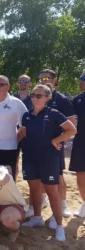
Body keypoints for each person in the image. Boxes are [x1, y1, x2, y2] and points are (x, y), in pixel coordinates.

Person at [20, 85, 76, 242]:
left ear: (47, 98)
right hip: (30, 156)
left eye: (39, 95)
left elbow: (72, 130)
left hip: (48, 157)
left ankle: (59, 226)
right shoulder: (26, 115)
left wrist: (56, 140)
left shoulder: (54, 114)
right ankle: (37, 217)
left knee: (52, 191)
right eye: (33, 95)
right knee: (34, 189)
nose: (35, 98)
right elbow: (22, 134)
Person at [37, 69, 76, 218]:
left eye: (46, 79)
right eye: (40, 79)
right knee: (40, 174)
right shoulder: (36, 97)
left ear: (54, 80)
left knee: (58, 176)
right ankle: (44, 199)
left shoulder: (62, 100)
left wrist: (58, 141)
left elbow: (72, 125)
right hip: (39, 144)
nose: (43, 81)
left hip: (55, 145)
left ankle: (63, 203)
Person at [70, 71, 85, 223]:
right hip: (81, 142)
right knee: (80, 174)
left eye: (83, 78)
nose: (80, 81)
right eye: (80, 77)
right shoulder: (78, 100)